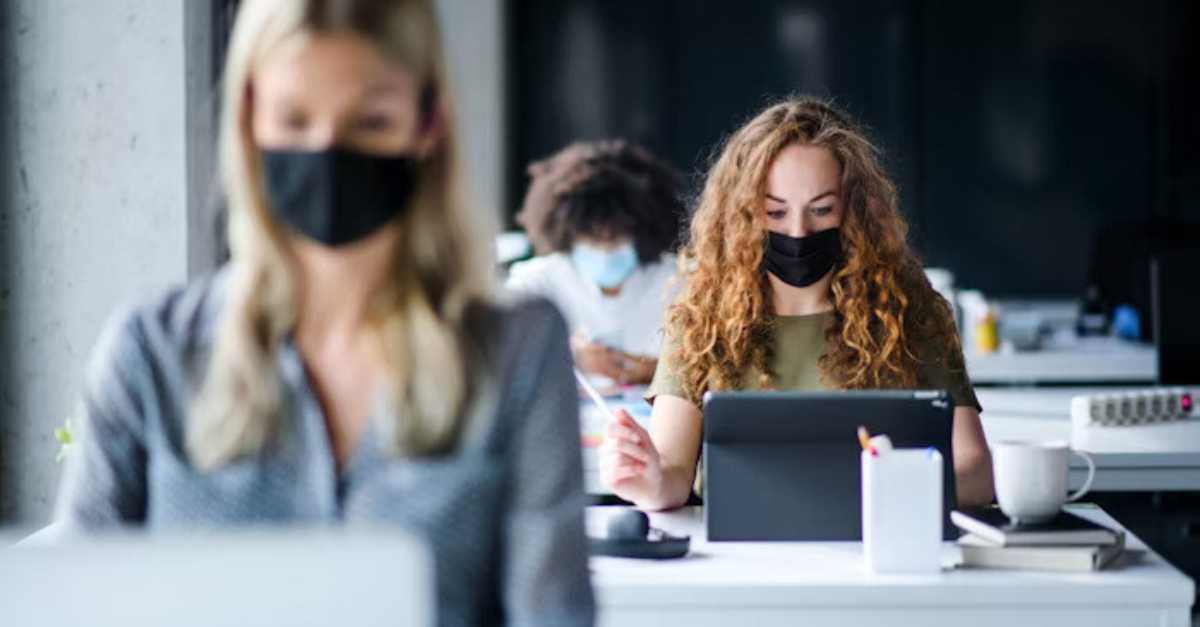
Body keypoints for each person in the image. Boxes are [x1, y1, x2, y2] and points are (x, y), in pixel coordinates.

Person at [53, 1, 593, 625]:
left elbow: (552, 614)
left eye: (370, 121)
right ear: (250, 118)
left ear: (428, 124)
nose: (329, 152)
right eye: (295, 118)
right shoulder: (150, 355)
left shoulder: (516, 353)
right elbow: (74, 605)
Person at [599, 97, 995, 510]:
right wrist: (645, 478)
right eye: (775, 212)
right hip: (738, 564)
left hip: (879, 556)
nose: (799, 231)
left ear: (854, 212)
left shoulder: (910, 310)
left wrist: (893, 487)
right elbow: (673, 476)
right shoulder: (703, 318)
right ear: (742, 215)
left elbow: (977, 472)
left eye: (822, 210)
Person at [507, 143, 685, 385]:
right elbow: (502, 355)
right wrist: (569, 357)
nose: (605, 251)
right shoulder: (535, 281)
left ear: (643, 233)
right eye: (591, 239)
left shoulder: (679, 281)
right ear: (567, 233)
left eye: (617, 238)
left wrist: (660, 373)